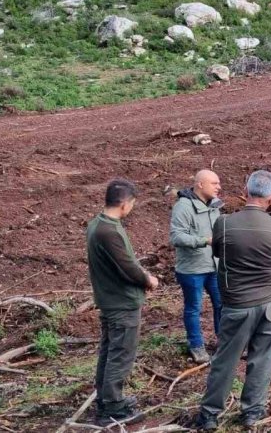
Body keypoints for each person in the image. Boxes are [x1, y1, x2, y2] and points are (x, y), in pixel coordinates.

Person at [194, 170, 271, 431]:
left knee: (225, 359)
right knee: (262, 358)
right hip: (270, 303)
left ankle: (210, 414)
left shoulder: (223, 223)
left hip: (236, 304)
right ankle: (252, 413)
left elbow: (217, 252)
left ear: (245, 192)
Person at [87, 179, 159, 426]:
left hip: (110, 300)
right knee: (120, 355)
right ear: (126, 204)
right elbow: (127, 266)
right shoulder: (109, 231)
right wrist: (148, 279)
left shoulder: (98, 224)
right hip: (121, 303)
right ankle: (112, 409)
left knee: (109, 352)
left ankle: (107, 400)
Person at [170, 169, 223, 363]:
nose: (219, 187)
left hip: (215, 267)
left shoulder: (215, 206)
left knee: (222, 305)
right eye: (215, 183)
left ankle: (224, 343)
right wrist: (204, 241)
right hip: (192, 269)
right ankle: (196, 345)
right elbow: (176, 236)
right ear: (200, 184)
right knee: (194, 308)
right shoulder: (183, 207)